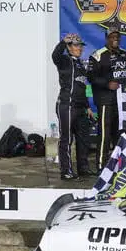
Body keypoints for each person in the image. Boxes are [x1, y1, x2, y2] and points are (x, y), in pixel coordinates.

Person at [87, 24, 126, 170]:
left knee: (122, 134)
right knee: (105, 135)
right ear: (106, 38)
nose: (115, 39)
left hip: (123, 102)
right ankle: (101, 166)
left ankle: (121, 166)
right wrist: (107, 84)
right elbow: (91, 77)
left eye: (117, 37)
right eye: (112, 37)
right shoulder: (98, 55)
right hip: (105, 101)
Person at [51, 33, 92, 180]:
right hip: (67, 105)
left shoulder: (81, 64)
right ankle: (66, 171)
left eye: (80, 45)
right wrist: (63, 42)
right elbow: (55, 55)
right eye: (76, 45)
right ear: (69, 47)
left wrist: (87, 106)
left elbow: (82, 87)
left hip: (81, 107)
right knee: (66, 139)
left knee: (83, 139)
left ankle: (83, 168)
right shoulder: (64, 61)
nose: (79, 48)